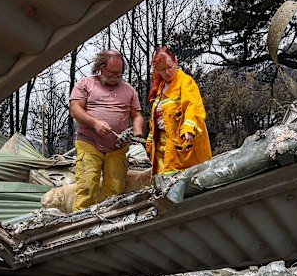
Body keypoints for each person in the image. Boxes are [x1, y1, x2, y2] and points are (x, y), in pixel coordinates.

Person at [69, 50, 145, 212]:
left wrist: (137, 133)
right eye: (111, 72)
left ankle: (109, 224)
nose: (115, 76)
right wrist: (95, 123)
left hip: (117, 149)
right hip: (89, 144)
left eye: (119, 73)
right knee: (87, 187)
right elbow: (75, 109)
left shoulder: (129, 90)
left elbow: (137, 115)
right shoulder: (85, 84)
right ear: (100, 67)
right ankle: (81, 225)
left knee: (115, 192)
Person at [145, 46, 212, 176]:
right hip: (163, 148)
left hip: (183, 146)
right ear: (157, 70)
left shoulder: (185, 82)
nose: (168, 72)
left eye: (170, 67)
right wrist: (149, 143)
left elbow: (193, 106)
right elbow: (157, 120)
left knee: (182, 183)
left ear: (176, 62)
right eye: (163, 70)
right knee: (163, 184)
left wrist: (189, 127)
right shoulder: (160, 89)